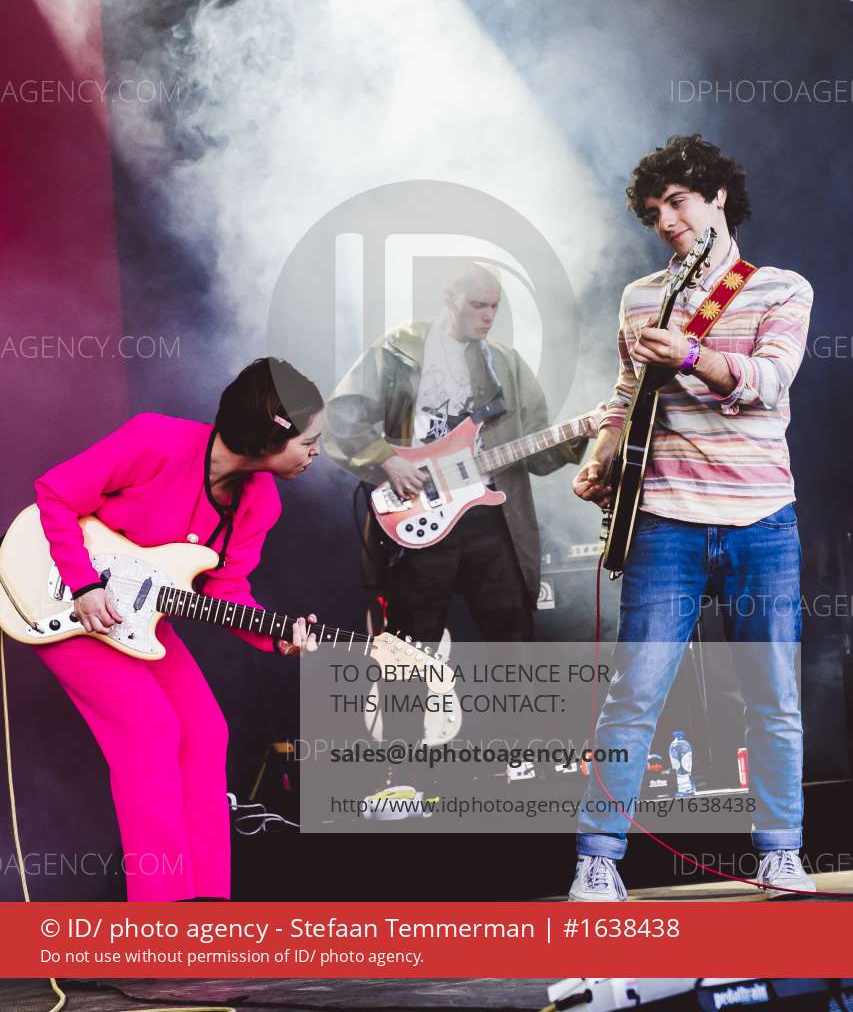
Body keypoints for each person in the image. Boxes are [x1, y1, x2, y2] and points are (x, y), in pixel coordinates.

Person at [570, 134, 815, 900]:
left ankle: (780, 853)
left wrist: (690, 357)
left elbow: (769, 381)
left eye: (677, 202)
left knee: (771, 697)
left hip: (760, 520)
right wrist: (601, 454)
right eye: (653, 211)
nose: (665, 221)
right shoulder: (639, 297)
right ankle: (596, 859)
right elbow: (624, 397)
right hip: (664, 520)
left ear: (717, 198)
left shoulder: (779, 289)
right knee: (633, 695)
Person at [32, 357, 322, 902]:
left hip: (140, 621)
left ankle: (205, 907)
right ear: (269, 437)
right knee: (150, 730)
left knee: (207, 732)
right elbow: (56, 494)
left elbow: (226, 590)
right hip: (68, 605)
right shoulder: (156, 441)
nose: (316, 453)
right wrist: (84, 583)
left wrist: (278, 636)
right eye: (309, 441)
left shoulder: (260, 501)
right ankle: (160, 912)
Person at [324, 262, 592, 644]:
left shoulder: (505, 364)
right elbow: (342, 413)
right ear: (449, 299)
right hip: (419, 508)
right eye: (478, 305)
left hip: (491, 518)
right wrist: (387, 458)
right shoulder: (401, 348)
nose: (488, 316)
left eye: (495, 306)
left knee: (512, 641)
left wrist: (579, 434)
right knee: (411, 647)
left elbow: (537, 452)